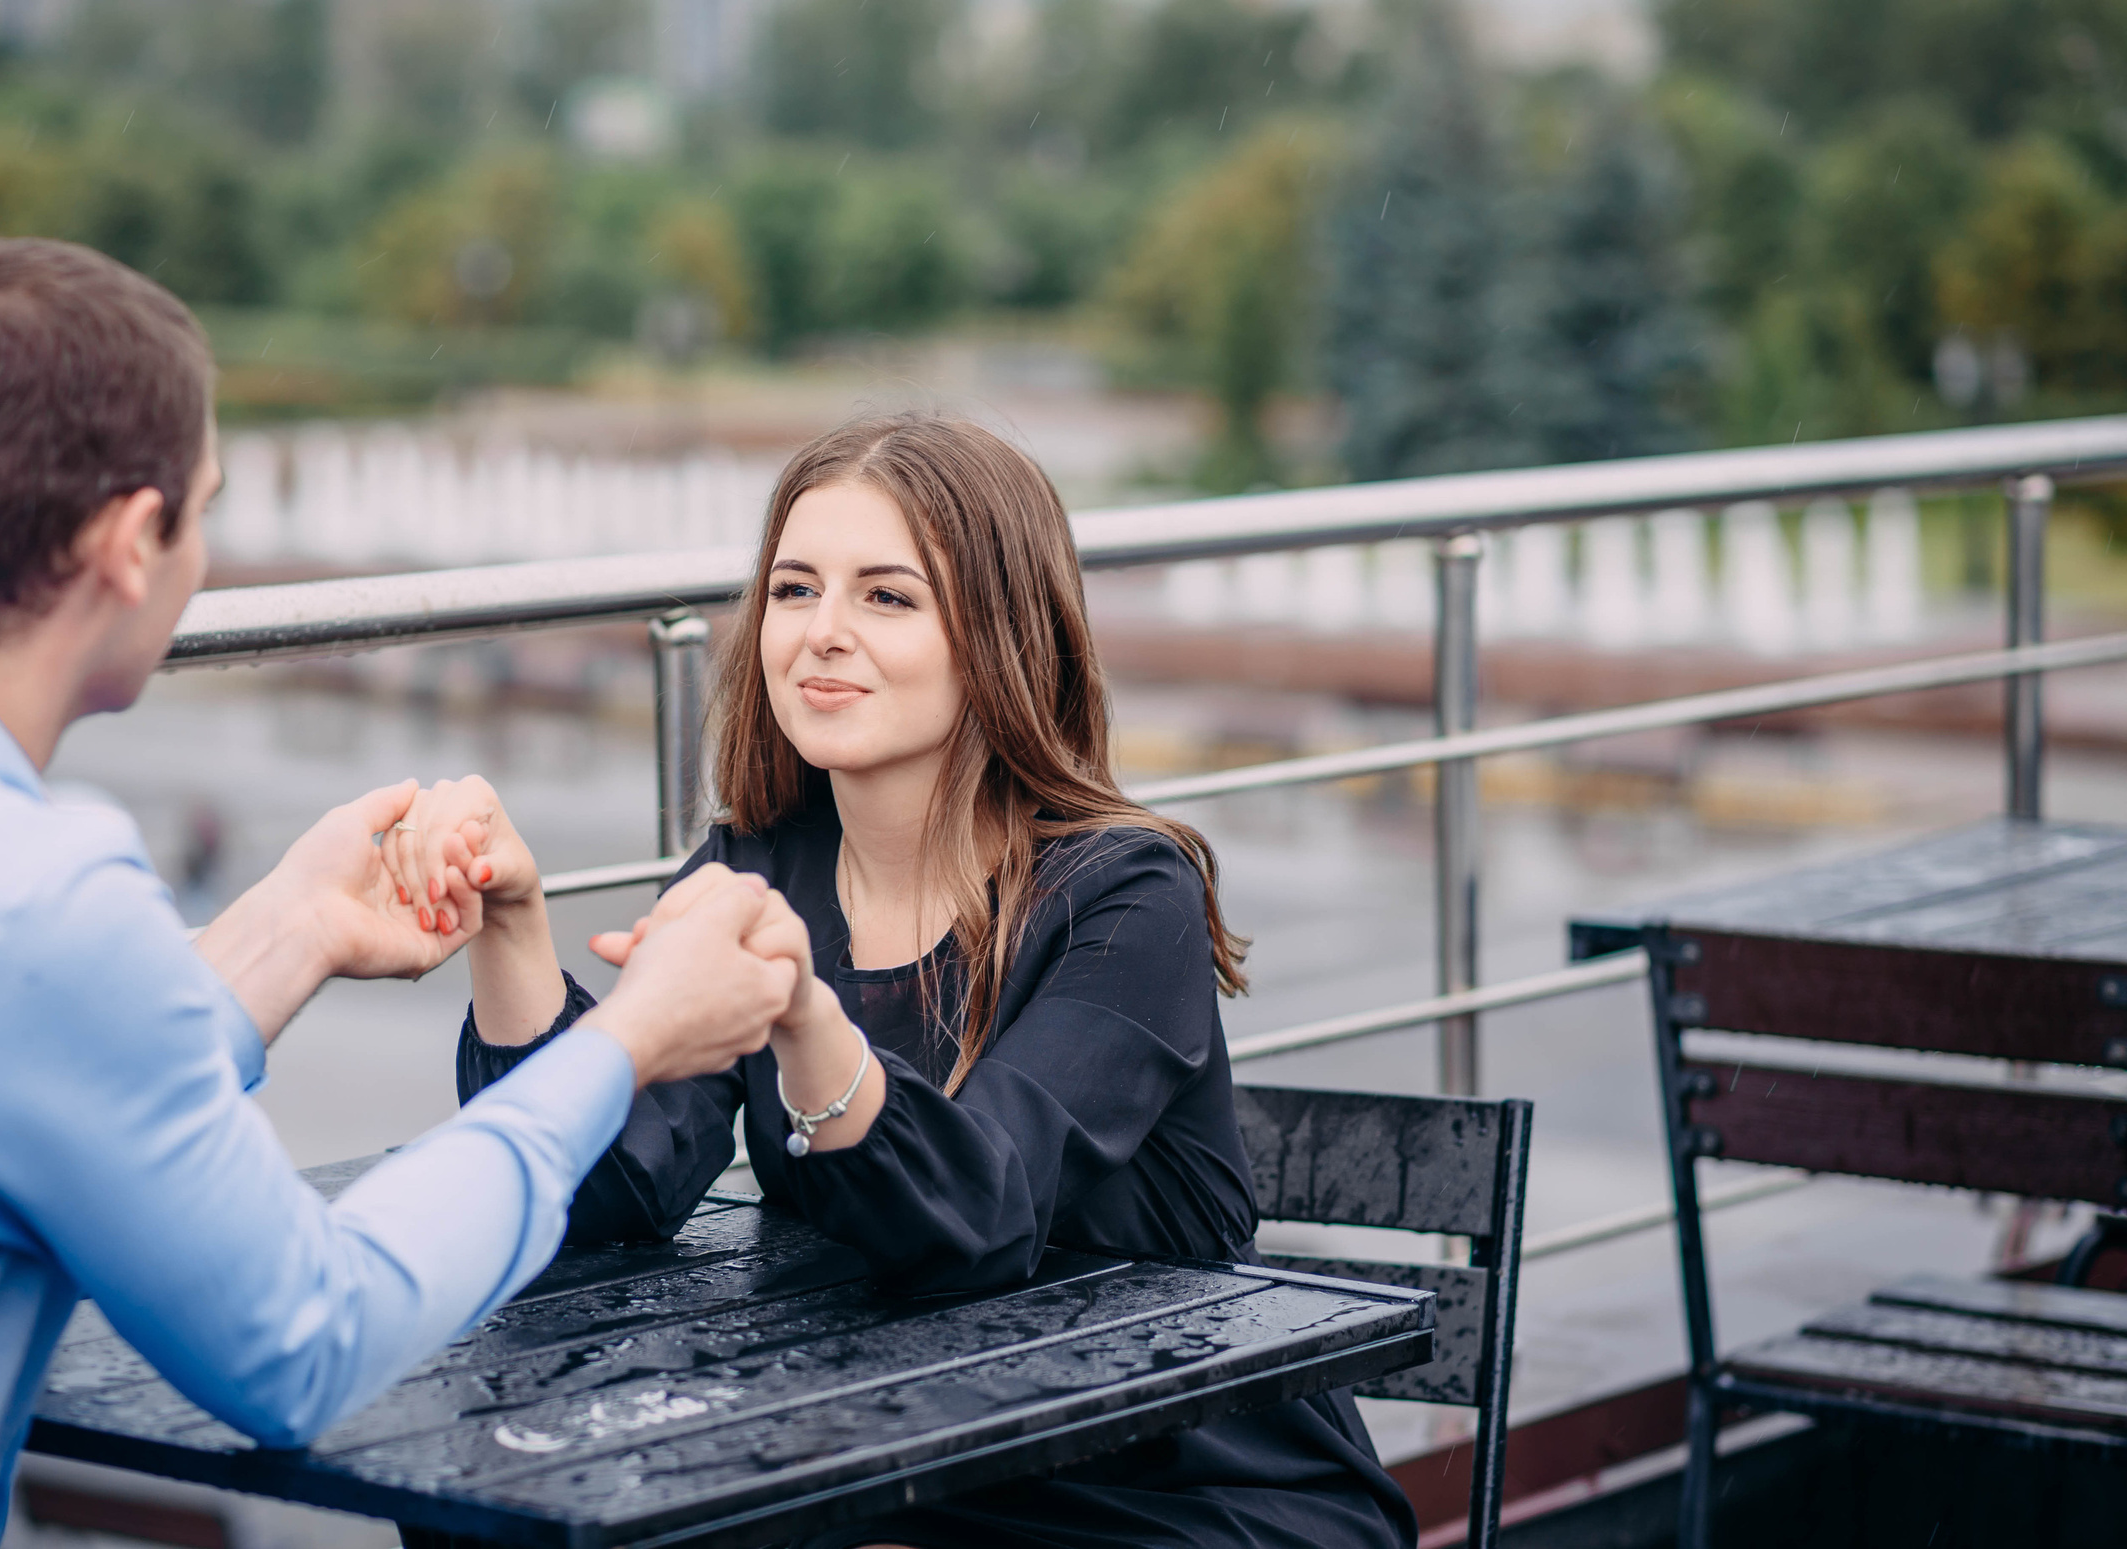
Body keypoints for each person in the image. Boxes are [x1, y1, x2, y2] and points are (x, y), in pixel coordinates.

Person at [0, 239, 804, 1549]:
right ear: (129, 543)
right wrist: (625, 1041)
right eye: (200, 511)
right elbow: (309, 1341)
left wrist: (295, 924)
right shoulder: (28, 896)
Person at [394, 416, 1419, 1549]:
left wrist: (804, 1016)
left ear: (997, 636)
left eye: (886, 596)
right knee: (483, 1513)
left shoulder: (1127, 893)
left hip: (1171, 1482)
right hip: (908, 1457)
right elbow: (618, 1190)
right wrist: (510, 929)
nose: (821, 634)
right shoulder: (760, 861)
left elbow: (977, 1214)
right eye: (793, 590)